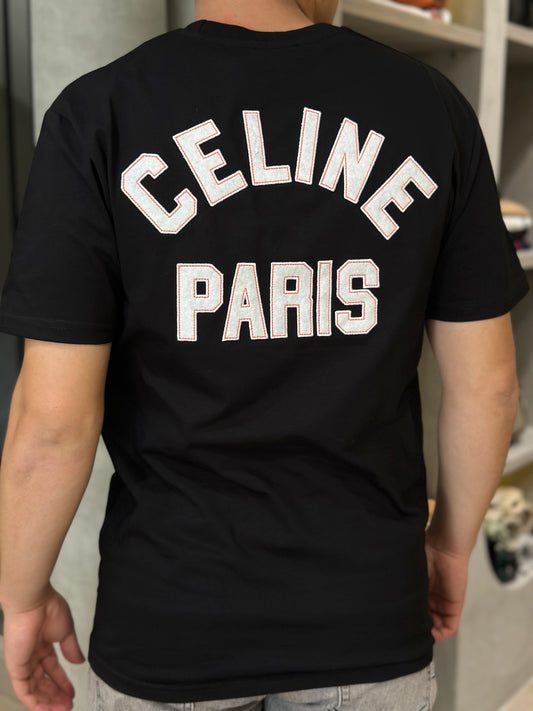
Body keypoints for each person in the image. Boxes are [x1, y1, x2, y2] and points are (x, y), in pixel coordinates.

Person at [0, 0, 529, 709]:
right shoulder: (431, 108)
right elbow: (489, 389)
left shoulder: (98, 113)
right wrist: (451, 545)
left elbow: (52, 423)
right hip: (365, 611)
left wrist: (22, 595)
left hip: (170, 617)